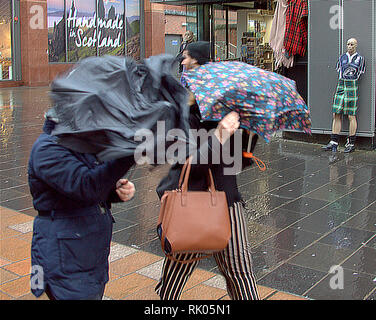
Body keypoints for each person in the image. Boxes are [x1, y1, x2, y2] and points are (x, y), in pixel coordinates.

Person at [155, 41, 260, 300]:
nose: (182, 62)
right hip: (190, 200)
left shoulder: (221, 112)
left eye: (188, 58)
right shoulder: (176, 117)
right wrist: (220, 136)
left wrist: (247, 129)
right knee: (177, 270)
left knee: (240, 269)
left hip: (228, 199)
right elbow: (190, 161)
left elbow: (239, 160)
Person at [28, 111, 136, 300]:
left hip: (86, 250)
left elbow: (92, 182)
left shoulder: (80, 141)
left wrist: (113, 191)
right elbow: (86, 185)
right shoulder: (48, 148)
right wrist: (131, 152)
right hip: (64, 254)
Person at [322, 38, 366, 153]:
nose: (350, 46)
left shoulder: (360, 59)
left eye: (352, 44)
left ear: (356, 45)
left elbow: (360, 73)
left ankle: (351, 143)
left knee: (351, 115)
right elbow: (339, 71)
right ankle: (333, 142)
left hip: (352, 85)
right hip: (341, 84)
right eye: (348, 44)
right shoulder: (341, 58)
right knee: (336, 113)